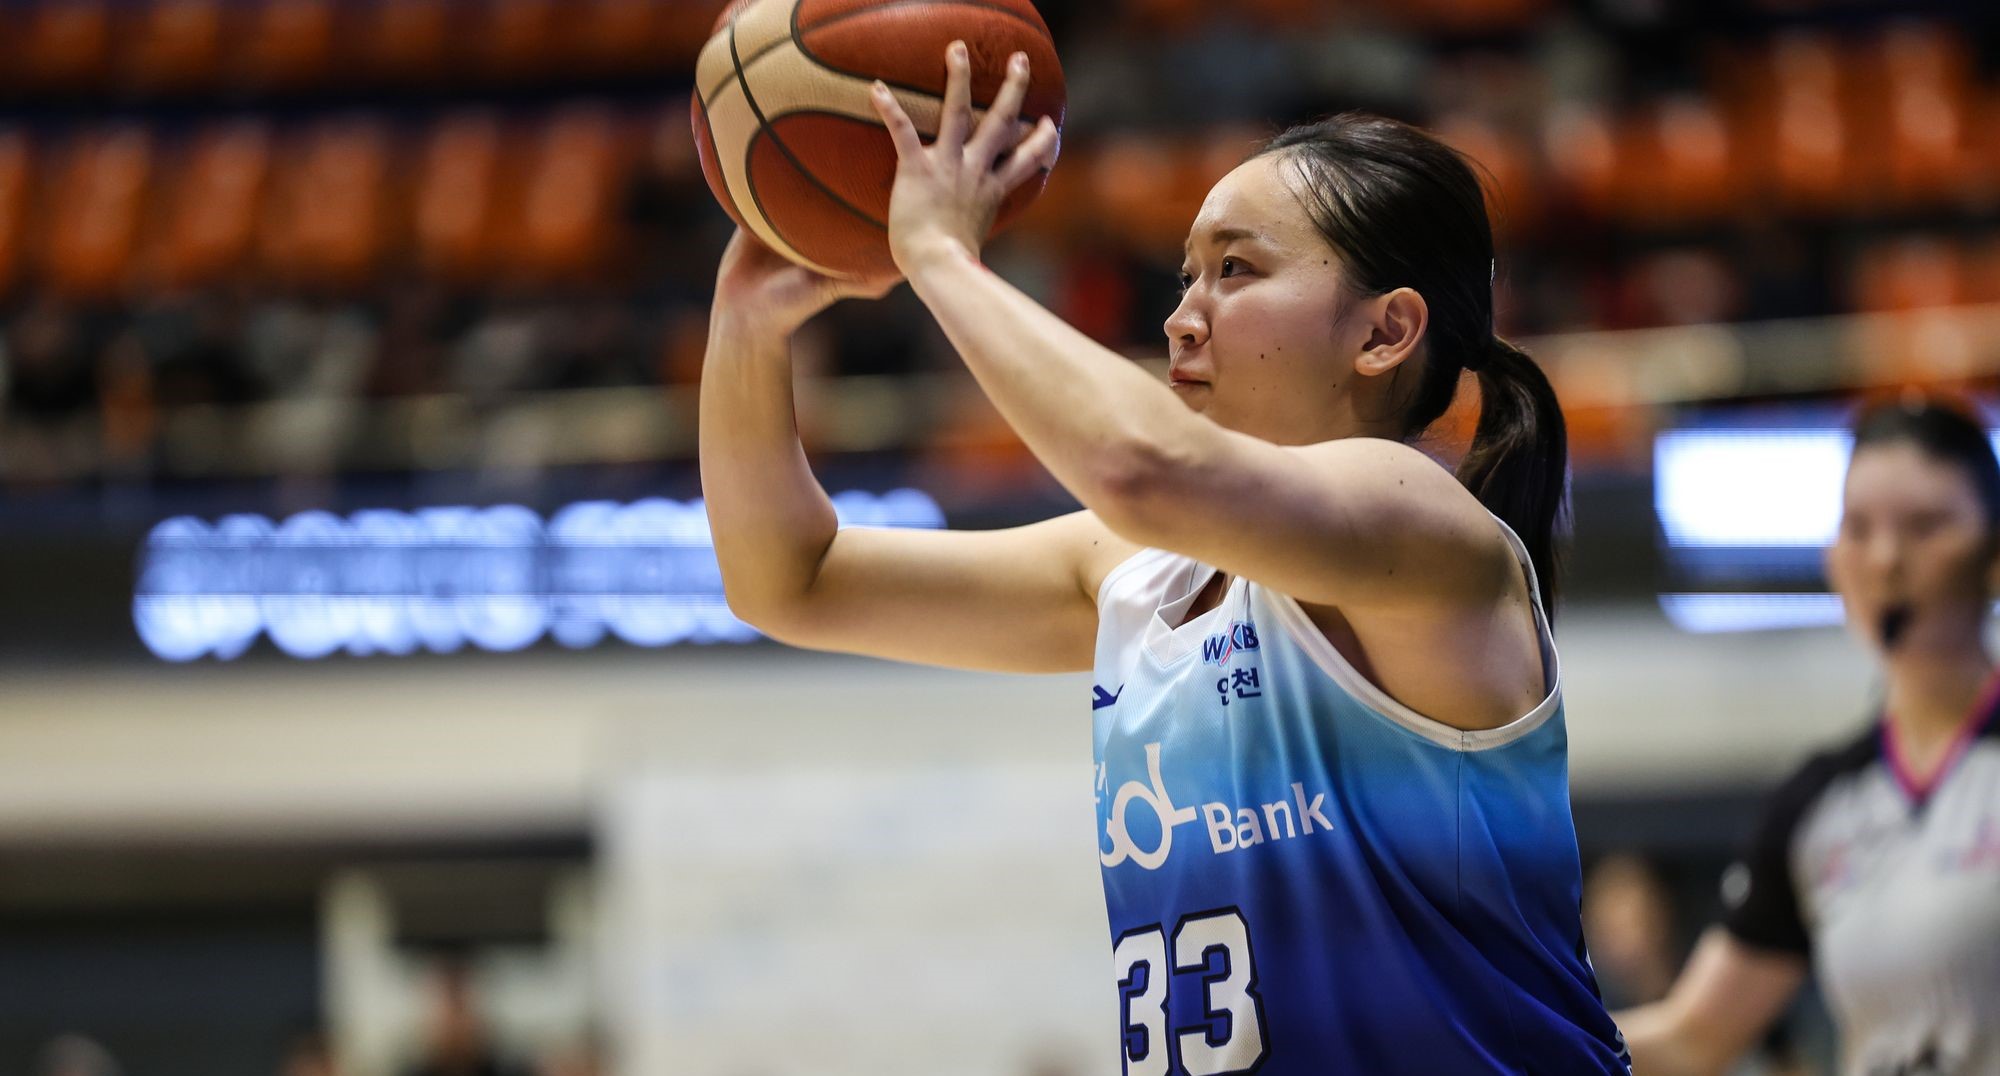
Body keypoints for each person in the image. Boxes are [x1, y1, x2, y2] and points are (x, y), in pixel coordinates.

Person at [700, 42, 1628, 1073]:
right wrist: (746, 325)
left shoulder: (1416, 520)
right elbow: (790, 580)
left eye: (1236, 270)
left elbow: (1137, 467)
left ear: (1383, 332)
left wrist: (940, 258)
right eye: (1187, 274)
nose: (1181, 317)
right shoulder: (1138, 567)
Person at [1617, 397, 2000, 1076]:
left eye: (1925, 526)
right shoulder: (1815, 803)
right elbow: (1692, 1037)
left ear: (1992, 553)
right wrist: (1506, 1039)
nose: (1886, 559)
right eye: (1858, 528)